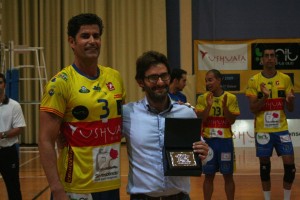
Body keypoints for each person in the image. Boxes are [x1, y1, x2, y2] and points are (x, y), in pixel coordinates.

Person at [38, 13, 125, 200]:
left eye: (96, 36)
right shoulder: (60, 83)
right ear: (72, 42)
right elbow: (45, 140)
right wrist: (57, 189)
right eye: (85, 36)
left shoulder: (115, 77)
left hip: (110, 183)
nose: (92, 41)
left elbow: (120, 123)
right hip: (76, 187)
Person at [122, 50, 209, 200]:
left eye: (164, 76)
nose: (160, 82)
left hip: (180, 197)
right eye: (153, 78)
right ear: (140, 81)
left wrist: (206, 152)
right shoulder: (128, 114)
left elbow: (202, 154)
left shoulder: (186, 113)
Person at [245, 46, 296, 200]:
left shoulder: (286, 79)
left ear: (276, 59)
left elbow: (291, 109)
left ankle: (286, 198)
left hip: (281, 129)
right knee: (265, 166)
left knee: (290, 166)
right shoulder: (254, 80)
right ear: (262, 60)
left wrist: (290, 101)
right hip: (263, 131)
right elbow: (253, 109)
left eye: (272, 55)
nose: (269, 58)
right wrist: (265, 98)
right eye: (266, 56)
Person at [195, 69, 240, 200]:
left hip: (225, 142)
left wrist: (225, 108)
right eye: (206, 80)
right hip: (208, 143)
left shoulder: (231, 98)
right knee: (208, 176)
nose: (208, 83)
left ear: (219, 80)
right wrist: (208, 106)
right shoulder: (202, 98)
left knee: (228, 175)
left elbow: (231, 120)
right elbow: (201, 120)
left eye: (211, 80)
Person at [0, 72, 26, 200]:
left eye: (0, 82)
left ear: (4, 84)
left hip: (7, 153)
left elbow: (19, 128)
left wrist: (2, 135)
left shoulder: (14, 105)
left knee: (13, 188)